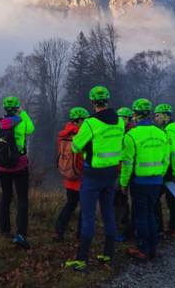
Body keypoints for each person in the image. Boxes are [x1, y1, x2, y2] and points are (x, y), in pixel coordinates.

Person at [65, 86, 125, 272]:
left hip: (92, 174)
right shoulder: (120, 121)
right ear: (107, 100)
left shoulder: (90, 123)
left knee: (89, 215)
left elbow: (75, 147)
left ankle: (82, 259)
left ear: (92, 102)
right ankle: (108, 253)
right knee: (108, 212)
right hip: (112, 172)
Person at [119, 98, 169, 260]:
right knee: (151, 214)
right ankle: (153, 248)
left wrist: (123, 183)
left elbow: (127, 163)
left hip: (139, 183)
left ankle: (143, 249)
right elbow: (166, 159)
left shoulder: (131, 135)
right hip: (156, 181)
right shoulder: (162, 133)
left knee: (141, 215)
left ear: (135, 114)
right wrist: (159, 175)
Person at [0, 96, 35, 249]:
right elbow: (31, 129)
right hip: (20, 165)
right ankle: (20, 234)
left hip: (2, 167)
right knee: (22, 199)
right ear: (17, 107)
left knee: (6, 196)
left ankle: (4, 230)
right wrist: (23, 113)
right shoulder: (22, 121)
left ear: (4, 109)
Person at [54, 106, 89, 241]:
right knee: (84, 207)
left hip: (69, 175)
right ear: (79, 120)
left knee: (70, 204)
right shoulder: (82, 135)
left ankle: (59, 230)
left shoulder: (63, 135)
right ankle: (81, 235)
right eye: (84, 120)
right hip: (82, 176)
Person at [154, 103, 175, 239]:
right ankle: (172, 228)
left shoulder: (170, 130)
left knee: (157, 197)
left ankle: (162, 229)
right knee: (172, 198)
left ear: (166, 115)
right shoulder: (173, 127)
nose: (155, 118)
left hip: (172, 169)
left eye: (157, 115)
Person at [115, 107, 134, 242]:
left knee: (127, 201)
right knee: (117, 201)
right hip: (117, 171)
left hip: (128, 172)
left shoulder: (132, 133)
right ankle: (119, 226)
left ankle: (128, 228)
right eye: (120, 118)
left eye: (124, 118)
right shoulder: (116, 131)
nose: (122, 120)